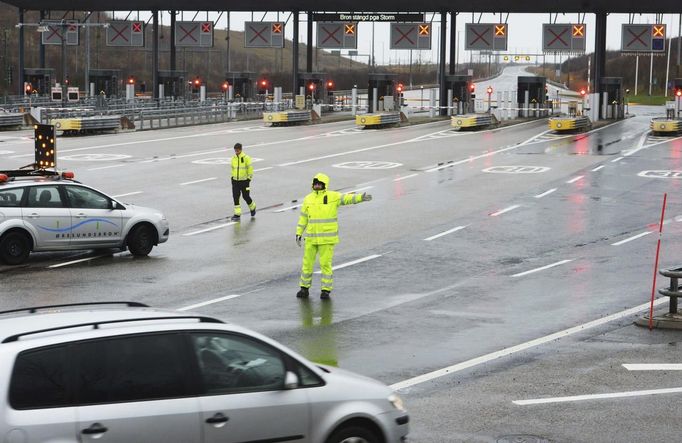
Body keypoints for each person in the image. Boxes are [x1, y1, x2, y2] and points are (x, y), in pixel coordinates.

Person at [295, 173, 372, 299]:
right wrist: (298, 233)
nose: (317, 186)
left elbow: (347, 198)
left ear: (324, 185)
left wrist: (360, 198)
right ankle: (304, 288)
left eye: (320, 184)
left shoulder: (333, 196)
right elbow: (303, 218)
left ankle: (325, 290)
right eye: (316, 184)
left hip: (326, 239)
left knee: (325, 264)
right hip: (311, 238)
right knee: (307, 264)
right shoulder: (308, 199)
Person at [230, 142, 256, 221]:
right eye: (235, 151)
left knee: (246, 196)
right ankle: (237, 214)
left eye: (238, 150)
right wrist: (232, 178)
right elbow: (232, 169)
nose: (236, 152)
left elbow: (250, 169)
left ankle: (252, 207)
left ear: (241, 149)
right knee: (236, 197)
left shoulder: (246, 158)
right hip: (235, 181)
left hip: (244, 181)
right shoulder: (233, 158)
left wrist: (249, 179)